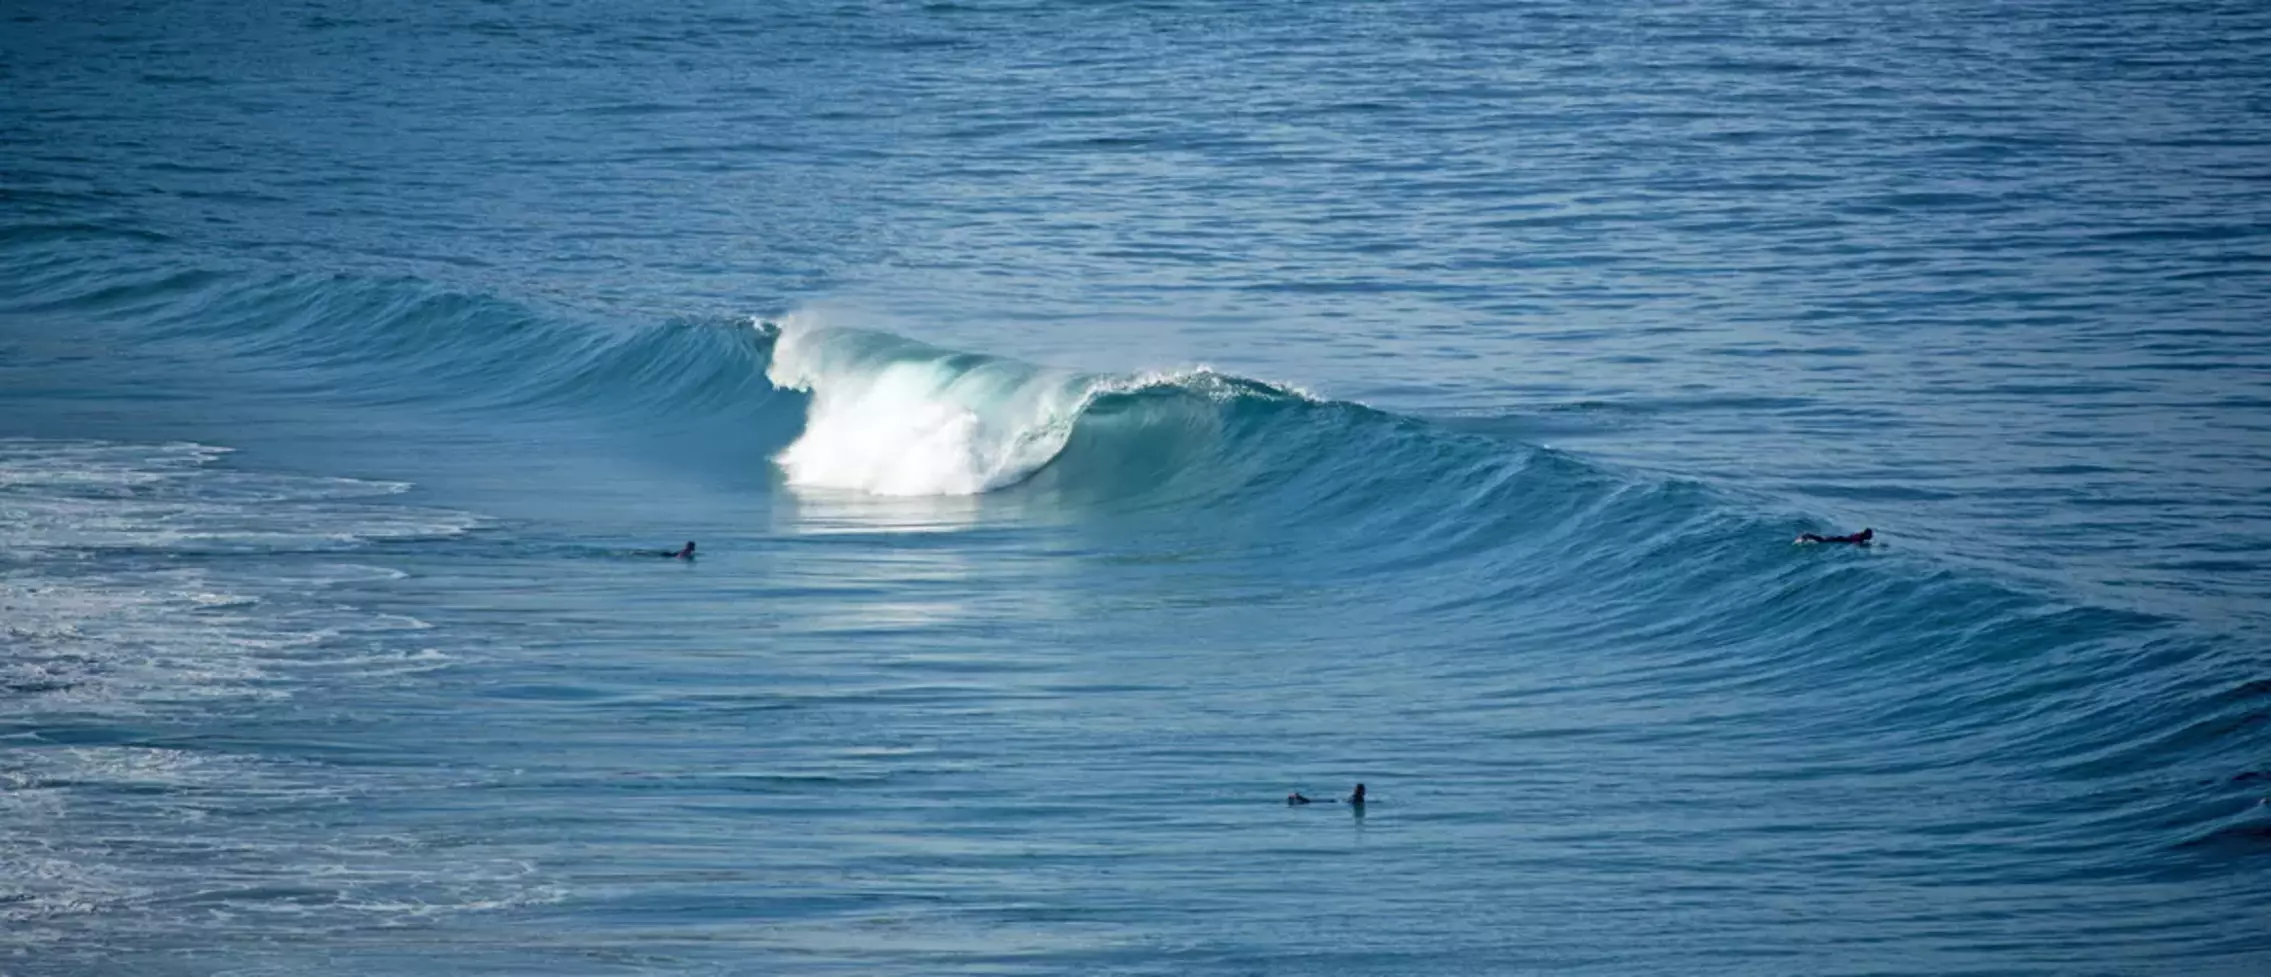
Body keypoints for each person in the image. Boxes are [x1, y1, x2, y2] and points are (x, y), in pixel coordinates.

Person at [1797, 528, 1873, 545]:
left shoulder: (1859, 535)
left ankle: (1807, 536)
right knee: (1822, 540)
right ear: (1866, 534)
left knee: (1822, 539)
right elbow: (1855, 543)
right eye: (1870, 535)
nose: (1871, 536)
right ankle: (1807, 536)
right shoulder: (1860, 538)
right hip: (1840, 540)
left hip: (1840, 538)